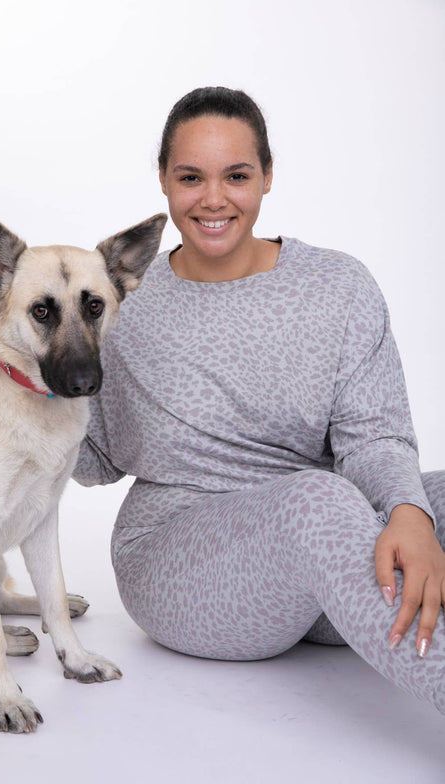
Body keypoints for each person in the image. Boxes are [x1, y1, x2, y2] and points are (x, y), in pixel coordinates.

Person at [73, 86, 445, 714]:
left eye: (237, 175)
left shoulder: (338, 285)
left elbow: (374, 437)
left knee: (426, 500)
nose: (213, 199)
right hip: (178, 558)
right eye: (191, 177)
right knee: (318, 498)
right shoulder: (116, 305)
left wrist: (409, 512)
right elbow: (89, 457)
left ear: (267, 177)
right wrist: (10, 372)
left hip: (326, 560)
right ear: (163, 180)